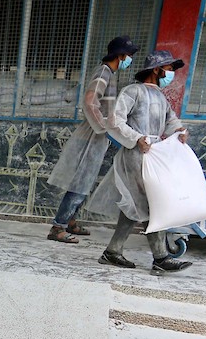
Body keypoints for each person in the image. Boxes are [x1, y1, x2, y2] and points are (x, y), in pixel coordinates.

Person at [85, 50, 193, 274]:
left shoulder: (161, 98)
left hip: (153, 155)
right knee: (151, 203)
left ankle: (113, 251)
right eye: (169, 69)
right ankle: (161, 258)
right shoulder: (132, 91)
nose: (171, 73)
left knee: (136, 205)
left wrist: (180, 130)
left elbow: (171, 121)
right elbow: (115, 121)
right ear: (157, 69)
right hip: (135, 155)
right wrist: (136, 138)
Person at [47, 35, 138, 244]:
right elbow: (90, 101)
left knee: (84, 182)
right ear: (120, 55)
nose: (130, 59)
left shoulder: (109, 74)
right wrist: (102, 127)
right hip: (90, 137)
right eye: (128, 55)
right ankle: (58, 227)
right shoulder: (104, 72)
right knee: (80, 182)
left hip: (96, 136)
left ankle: (70, 221)